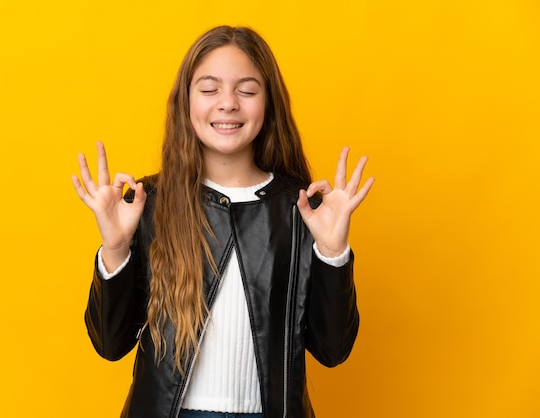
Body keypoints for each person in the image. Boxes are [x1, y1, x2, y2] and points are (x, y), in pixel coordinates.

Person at [72, 25, 374, 418]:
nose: (228, 103)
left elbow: (333, 350)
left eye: (246, 90)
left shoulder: (301, 209)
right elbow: (109, 345)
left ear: (268, 103)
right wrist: (115, 249)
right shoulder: (148, 204)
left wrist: (332, 254)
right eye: (209, 89)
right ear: (186, 102)